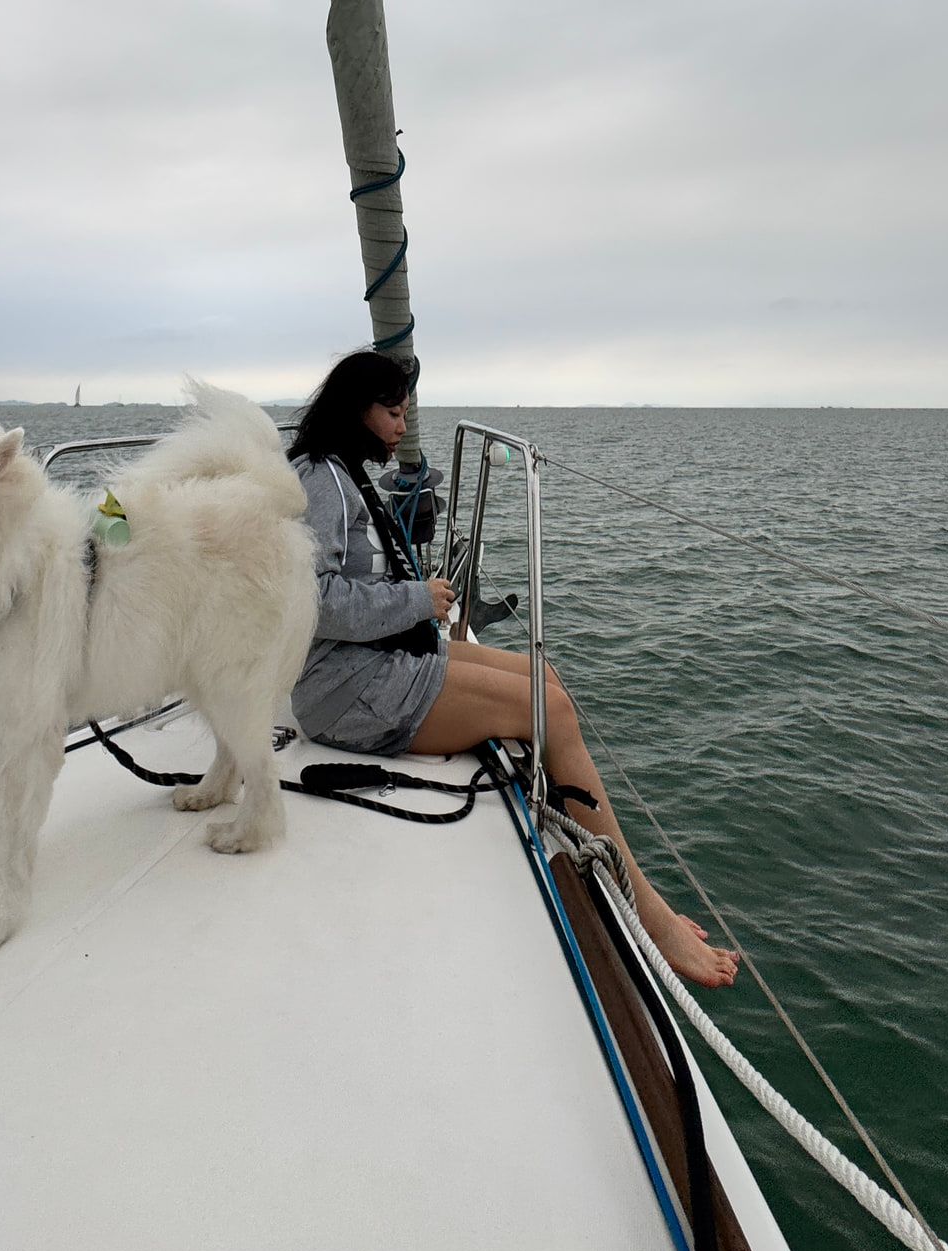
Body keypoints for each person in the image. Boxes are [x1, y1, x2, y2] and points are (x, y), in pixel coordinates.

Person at [289, 350, 738, 989]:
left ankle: (583, 830)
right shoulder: (320, 481)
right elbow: (316, 601)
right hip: (346, 689)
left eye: (404, 411)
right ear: (355, 411)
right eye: (392, 412)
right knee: (548, 713)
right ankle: (650, 915)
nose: (401, 426)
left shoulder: (334, 469)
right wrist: (418, 600)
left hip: (375, 656)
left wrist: (413, 604)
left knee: (544, 677)